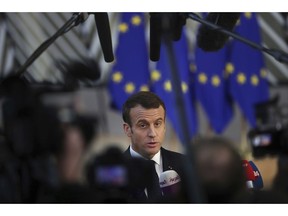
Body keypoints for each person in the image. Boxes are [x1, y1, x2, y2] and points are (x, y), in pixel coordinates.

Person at [121, 91, 187, 203]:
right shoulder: (117, 170)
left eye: (157, 124)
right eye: (143, 125)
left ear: (164, 126)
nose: (152, 133)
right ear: (128, 130)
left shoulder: (185, 165)